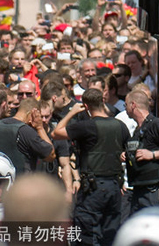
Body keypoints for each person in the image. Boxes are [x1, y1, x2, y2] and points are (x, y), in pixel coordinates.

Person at [51, 88, 129, 246]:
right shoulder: (120, 126)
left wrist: (72, 112)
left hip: (93, 188)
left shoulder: (86, 126)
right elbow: (128, 152)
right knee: (110, 232)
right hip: (115, 185)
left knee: (87, 233)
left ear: (85, 106)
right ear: (103, 102)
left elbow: (56, 133)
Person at [0, 97, 55, 174]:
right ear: (32, 114)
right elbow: (51, 155)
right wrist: (40, 128)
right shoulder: (27, 132)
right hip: (20, 185)